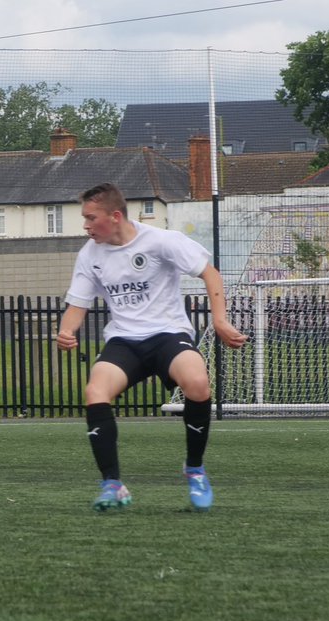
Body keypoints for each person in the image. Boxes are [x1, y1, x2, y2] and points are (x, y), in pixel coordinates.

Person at [55, 183, 246, 512]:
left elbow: (210, 274)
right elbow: (78, 304)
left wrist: (220, 320)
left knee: (197, 382)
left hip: (167, 334)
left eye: (90, 218)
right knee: (95, 392)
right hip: (124, 340)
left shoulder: (161, 241)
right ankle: (112, 485)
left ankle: (194, 469)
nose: (85, 226)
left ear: (115, 216)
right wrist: (66, 331)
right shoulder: (89, 254)